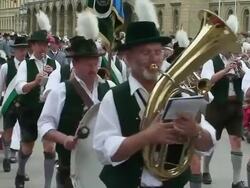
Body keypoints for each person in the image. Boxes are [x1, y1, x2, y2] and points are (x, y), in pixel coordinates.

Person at [93, 21, 216, 188]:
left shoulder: (179, 92)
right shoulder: (114, 97)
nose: (154, 59)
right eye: (145, 53)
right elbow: (105, 151)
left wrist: (196, 131)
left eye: (158, 52)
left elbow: (208, 144)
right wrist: (146, 136)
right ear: (128, 58)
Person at [38, 36, 115, 188]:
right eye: (88, 64)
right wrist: (64, 138)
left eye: (95, 63)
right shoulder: (60, 92)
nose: (93, 69)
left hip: (105, 169)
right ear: (75, 64)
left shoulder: (110, 89)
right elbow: (44, 125)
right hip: (70, 169)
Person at [14, 30, 60, 188]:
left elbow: (61, 87)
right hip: (29, 110)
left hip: (47, 111)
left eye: (45, 45)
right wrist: (34, 83)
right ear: (32, 46)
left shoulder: (53, 64)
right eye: (39, 45)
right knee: (27, 148)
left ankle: (47, 185)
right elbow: (19, 88)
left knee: (49, 147)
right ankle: (20, 172)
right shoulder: (25, 65)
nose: (43, 48)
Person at [201, 52, 249, 188]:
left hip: (235, 108)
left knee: (236, 141)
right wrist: (225, 70)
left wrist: (242, 68)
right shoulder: (211, 61)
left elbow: (248, 81)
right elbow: (205, 83)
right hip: (216, 107)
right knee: (211, 140)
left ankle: (236, 180)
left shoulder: (240, 62)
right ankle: (205, 170)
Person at [0, 36, 28, 172]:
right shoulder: (6, 67)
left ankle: (22, 169)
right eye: (21, 50)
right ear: (14, 51)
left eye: (25, 49)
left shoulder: (30, 66)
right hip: (10, 104)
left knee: (25, 136)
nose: (23, 52)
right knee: (8, 133)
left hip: (25, 105)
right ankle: (6, 157)